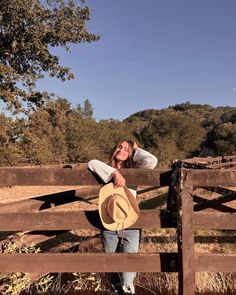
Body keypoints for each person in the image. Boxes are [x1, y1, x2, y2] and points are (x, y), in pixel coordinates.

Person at [88, 140, 158, 295]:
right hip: (109, 222)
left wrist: (134, 150)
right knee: (111, 265)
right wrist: (115, 172)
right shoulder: (104, 170)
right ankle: (115, 291)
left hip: (130, 223)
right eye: (119, 147)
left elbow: (152, 160)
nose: (122, 150)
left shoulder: (135, 170)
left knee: (129, 268)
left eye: (126, 149)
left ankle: (127, 290)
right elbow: (91, 163)